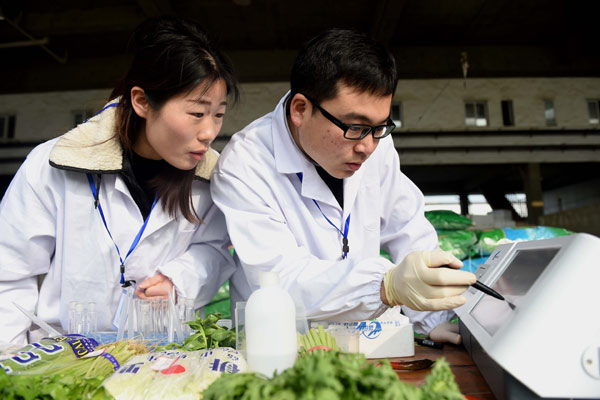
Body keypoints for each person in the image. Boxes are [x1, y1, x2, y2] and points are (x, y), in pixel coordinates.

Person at [211, 29, 476, 343]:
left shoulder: (376, 143)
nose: (367, 147)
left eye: (380, 127)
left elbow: (407, 227)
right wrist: (385, 285)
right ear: (300, 109)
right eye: (355, 127)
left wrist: (432, 318)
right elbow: (280, 279)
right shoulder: (246, 164)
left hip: (368, 341)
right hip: (280, 345)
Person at [0, 16, 239, 345]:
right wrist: (10, 362)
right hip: (65, 357)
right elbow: (9, 272)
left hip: (160, 355)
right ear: (142, 102)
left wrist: (179, 280)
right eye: (197, 114)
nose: (210, 132)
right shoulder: (53, 164)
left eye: (218, 114)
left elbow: (215, 250)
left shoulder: (211, 180)